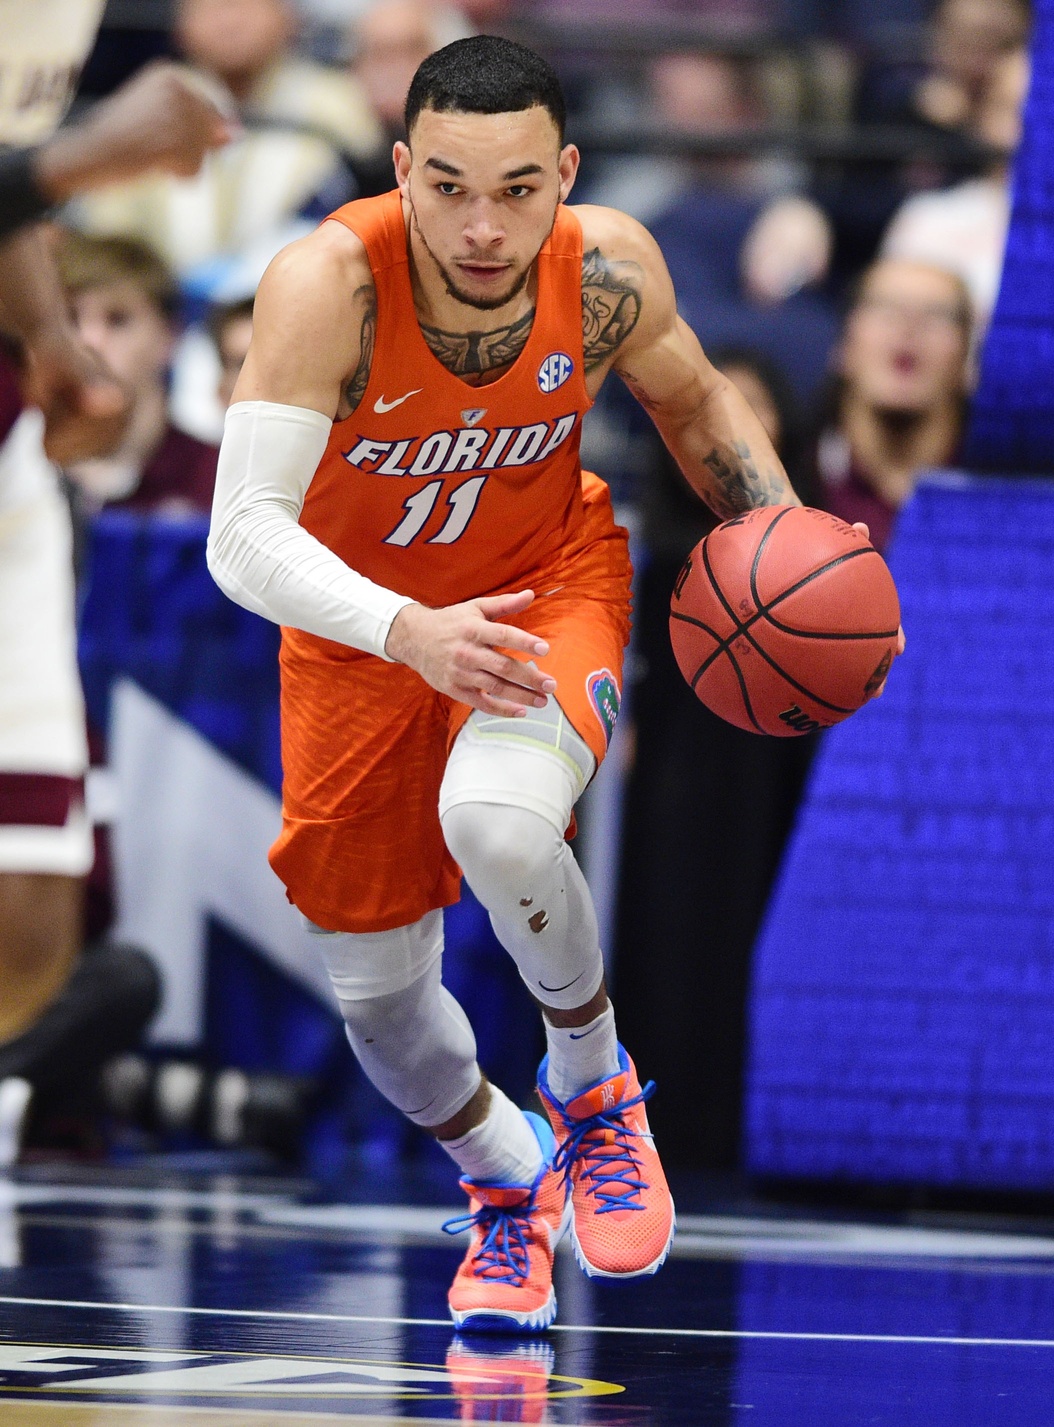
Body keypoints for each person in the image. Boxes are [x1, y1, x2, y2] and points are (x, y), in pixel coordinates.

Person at [206, 35, 862, 1332]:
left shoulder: (607, 269)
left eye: (516, 189)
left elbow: (696, 403)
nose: (482, 226)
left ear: (564, 175)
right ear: (402, 169)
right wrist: (407, 629)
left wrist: (788, 549)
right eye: (448, 187)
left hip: (540, 586)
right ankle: (509, 1177)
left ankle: (594, 1085)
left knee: (496, 823)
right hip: (362, 635)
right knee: (387, 1019)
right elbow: (241, 536)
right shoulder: (326, 283)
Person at [807, 257, 972, 551]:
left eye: (937, 315)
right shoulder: (793, 473)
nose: (909, 326)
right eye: (885, 308)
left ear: (967, 359)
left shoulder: (1009, 490)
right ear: (843, 347)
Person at [58, 232, 218, 517]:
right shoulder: (20, 473)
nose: (89, 340)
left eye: (117, 319)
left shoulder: (215, 478)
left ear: (169, 336)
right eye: (71, 318)